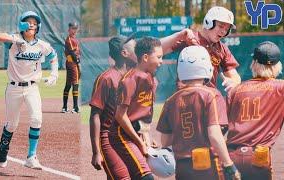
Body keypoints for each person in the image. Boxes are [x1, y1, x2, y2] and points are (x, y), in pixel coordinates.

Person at [156, 46, 241, 180]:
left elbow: (165, 141)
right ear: (207, 67)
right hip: (208, 165)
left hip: (182, 168)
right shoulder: (212, 95)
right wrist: (228, 164)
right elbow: (214, 134)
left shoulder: (170, 101)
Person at [0, 11, 58, 169]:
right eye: (28, 22)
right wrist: (15, 39)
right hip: (13, 88)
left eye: (34, 23)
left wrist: (54, 74)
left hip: (32, 88)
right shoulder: (14, 41)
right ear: (22, 24)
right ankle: (3, 148)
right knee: (12, 124)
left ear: (38, 27)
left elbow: (54, 57)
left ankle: (31, 156)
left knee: (37, 118)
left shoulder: (42, 45)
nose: (31, 25)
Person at [226, 41, 283, 180]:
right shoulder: (280, 88)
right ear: (277, 66)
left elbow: (220, 126)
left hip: (231, 157)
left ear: (254, 63)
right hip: (259, 157)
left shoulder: (235, 90)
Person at [109, 36, 163, 179]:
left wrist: (146, 135)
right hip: (121, 135)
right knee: (146, 177)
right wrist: (139, 142)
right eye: (158, 57)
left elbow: (143, 115)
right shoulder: (130, 80)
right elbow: (120, 115)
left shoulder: (151, 79)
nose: (161, 61)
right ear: (145, 57)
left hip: (134, 134)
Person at [161, 6, 241, 92]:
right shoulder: (189, 37)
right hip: (186, 96)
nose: (224, 32)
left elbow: (235, 76)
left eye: (227, 29)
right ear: (208, 22)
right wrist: (178, 36)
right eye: (221, 26)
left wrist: (234, 82)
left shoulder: (222, 48)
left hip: (208, 97)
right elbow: (156, 49)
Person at [89, 35, 137, 179]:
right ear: (124, 53)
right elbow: (95, 115)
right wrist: (96, 151)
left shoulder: (134, 76)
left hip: (127, 138)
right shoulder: (106, 78)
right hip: (108, 140)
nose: (139, 51)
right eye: (135, 48)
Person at [62, 21, 81, 113]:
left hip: (71, 63)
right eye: (72, 28)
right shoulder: (69, 39)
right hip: (72, 63)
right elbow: (72, 53)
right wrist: (77, 62)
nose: (74, 30)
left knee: (68, 84)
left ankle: (65, 107)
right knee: (75, 84)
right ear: (68, 29)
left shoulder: (74, 39)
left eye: (75, 28)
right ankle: (75, 107)